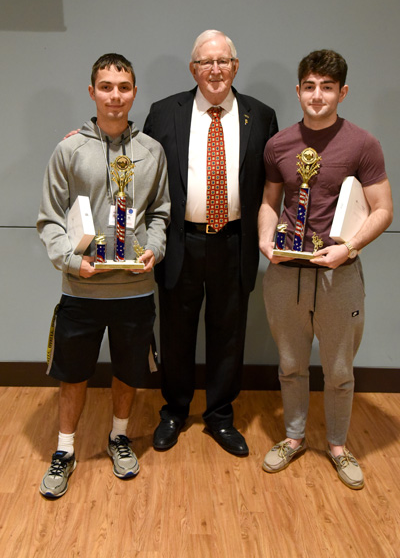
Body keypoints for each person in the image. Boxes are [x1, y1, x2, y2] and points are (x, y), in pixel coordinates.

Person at [258, 49, 393, 489]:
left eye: (328, 87)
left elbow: (383, 210)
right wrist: (265, 241)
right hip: (286, 273)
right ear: (299, 90)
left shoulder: (363, 144)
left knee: (338, 370)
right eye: (310, 86)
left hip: (339, 272)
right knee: (291, 363)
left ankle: (337, 445)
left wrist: (349, 246)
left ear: (343, 92)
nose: (318, 95)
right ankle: (294, 437)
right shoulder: (278, 144)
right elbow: (268, 201)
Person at [37, 53, 170, 498]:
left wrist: (153, 248)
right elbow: (50, 220)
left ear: (134, 92)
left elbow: (160, 215)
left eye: (124, 87)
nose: (116, 95)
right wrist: (73, 262)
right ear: (92, 91)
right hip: (83, 286)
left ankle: (118, 437)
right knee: (73, 373)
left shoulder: (151, 152)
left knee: (129, 369)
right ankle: (65, 449)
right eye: (106, 87)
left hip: (133, 287)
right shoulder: (69, 149)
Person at [143, 30, 278, 456]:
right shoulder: (164, 112)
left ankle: (220, 415)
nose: (215, 69)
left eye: (223, 61)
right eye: (206, 62)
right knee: (177, 332)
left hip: (232, 242)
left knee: (228, 333)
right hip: (182, 241)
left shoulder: (261, 114)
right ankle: (175, 411)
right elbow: (137, 161)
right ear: (193, 69)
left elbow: (275, 176)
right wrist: (87, 134)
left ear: (236, 66)